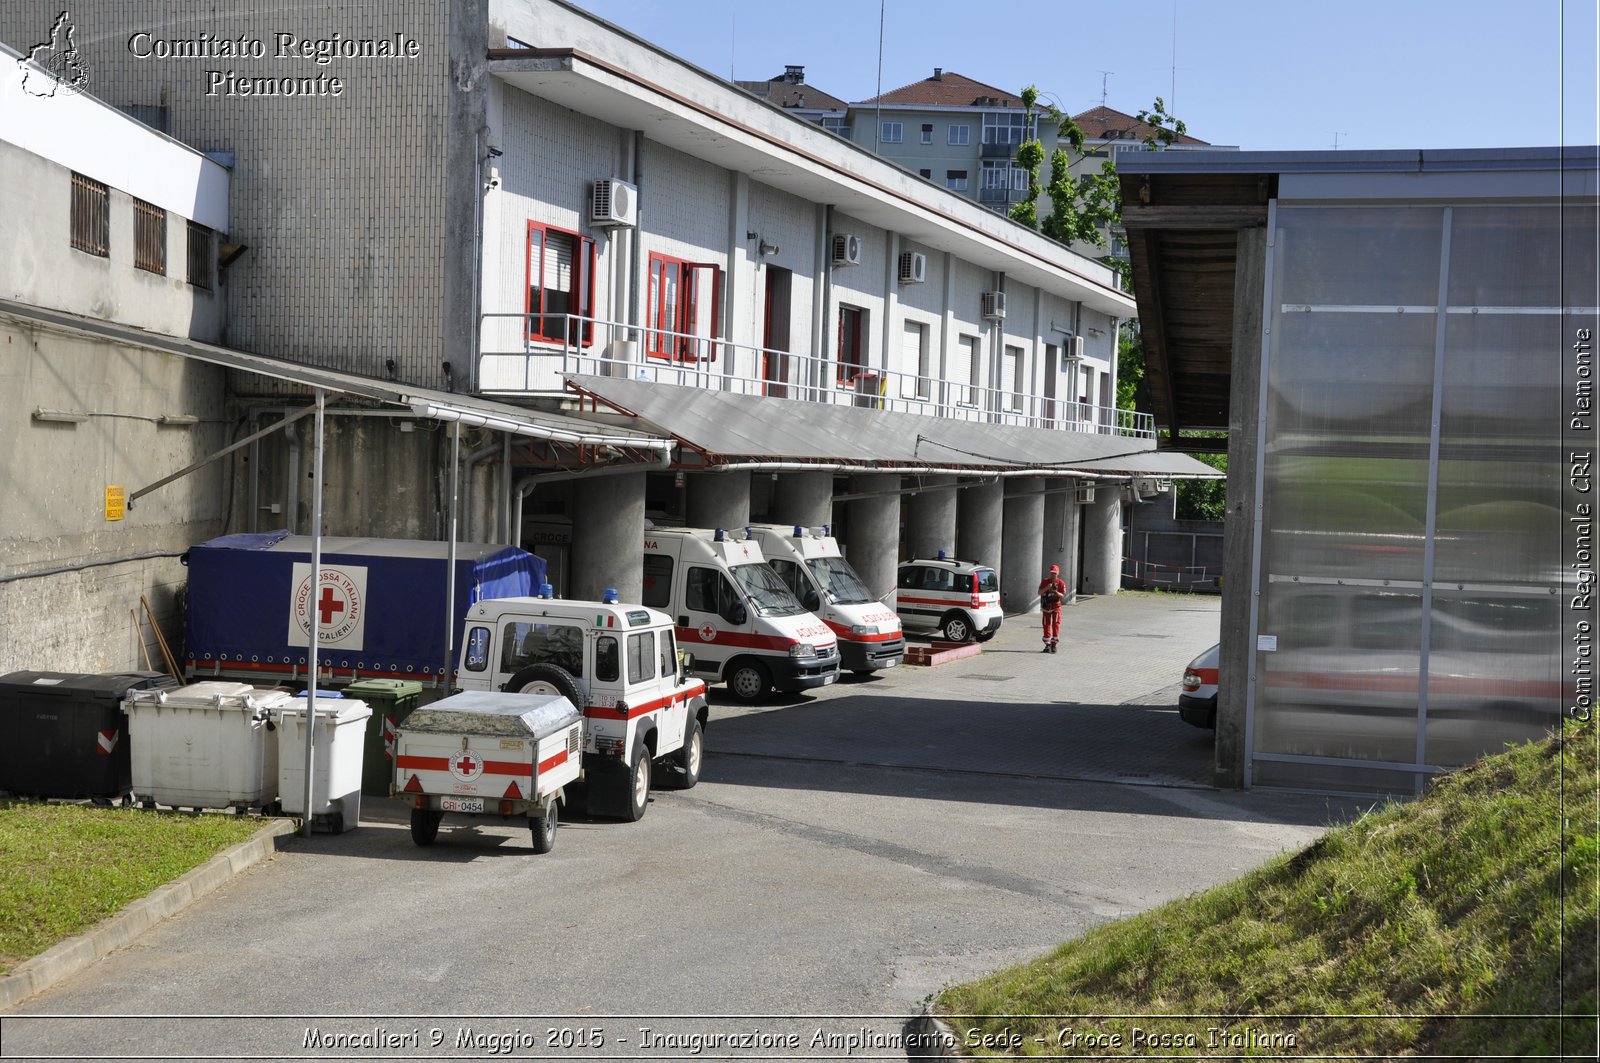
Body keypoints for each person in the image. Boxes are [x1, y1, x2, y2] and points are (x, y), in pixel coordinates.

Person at [1038, 564, 1067, 653]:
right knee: (1046, 625)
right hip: (1046, 606)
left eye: (1055, 573)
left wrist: (1056, 591)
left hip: (1056, 606)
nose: (1053, 575)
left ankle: (1054, 645)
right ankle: (1048, 645)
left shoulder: (1061, 583)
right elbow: (1039, 592)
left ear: (1058, 573)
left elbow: (1063, 595)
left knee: (1056, 624)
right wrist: (1047, 587)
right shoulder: (1045, 581)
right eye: (1052, 573)